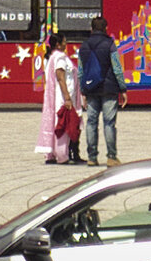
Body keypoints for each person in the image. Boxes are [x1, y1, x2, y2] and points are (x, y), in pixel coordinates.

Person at [80, 15, 127, 163]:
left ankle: (92, 157)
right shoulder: (110, 44)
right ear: (105, 28)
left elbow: (81, 71)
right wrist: (122, 88)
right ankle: (111, 157)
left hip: (91, 88)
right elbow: (117, 68)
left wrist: (83, 90)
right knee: (109, 123)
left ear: (91, 28)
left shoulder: (84, 45)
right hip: (109, 89)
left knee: (91, 122)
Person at [35, 30, 82, 164]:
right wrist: (67, 98)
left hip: (57, 97)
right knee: (63, 124)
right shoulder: (60, 58)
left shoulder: (52, 57)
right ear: (58, 44)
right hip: (62, 97)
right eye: (64, 42)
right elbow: (61, 78)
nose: (66, 44)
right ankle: (62, 155)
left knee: (57, 123)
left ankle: (52, 153)